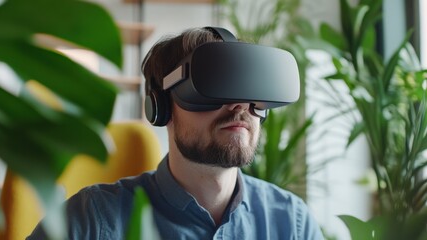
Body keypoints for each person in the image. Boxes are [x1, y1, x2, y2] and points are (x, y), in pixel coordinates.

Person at [28, 26, 324, 239]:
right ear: (161, 107)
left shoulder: (292, 224)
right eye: (213, 86)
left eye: (248, 91)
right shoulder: (93, 219)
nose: (238, 105)